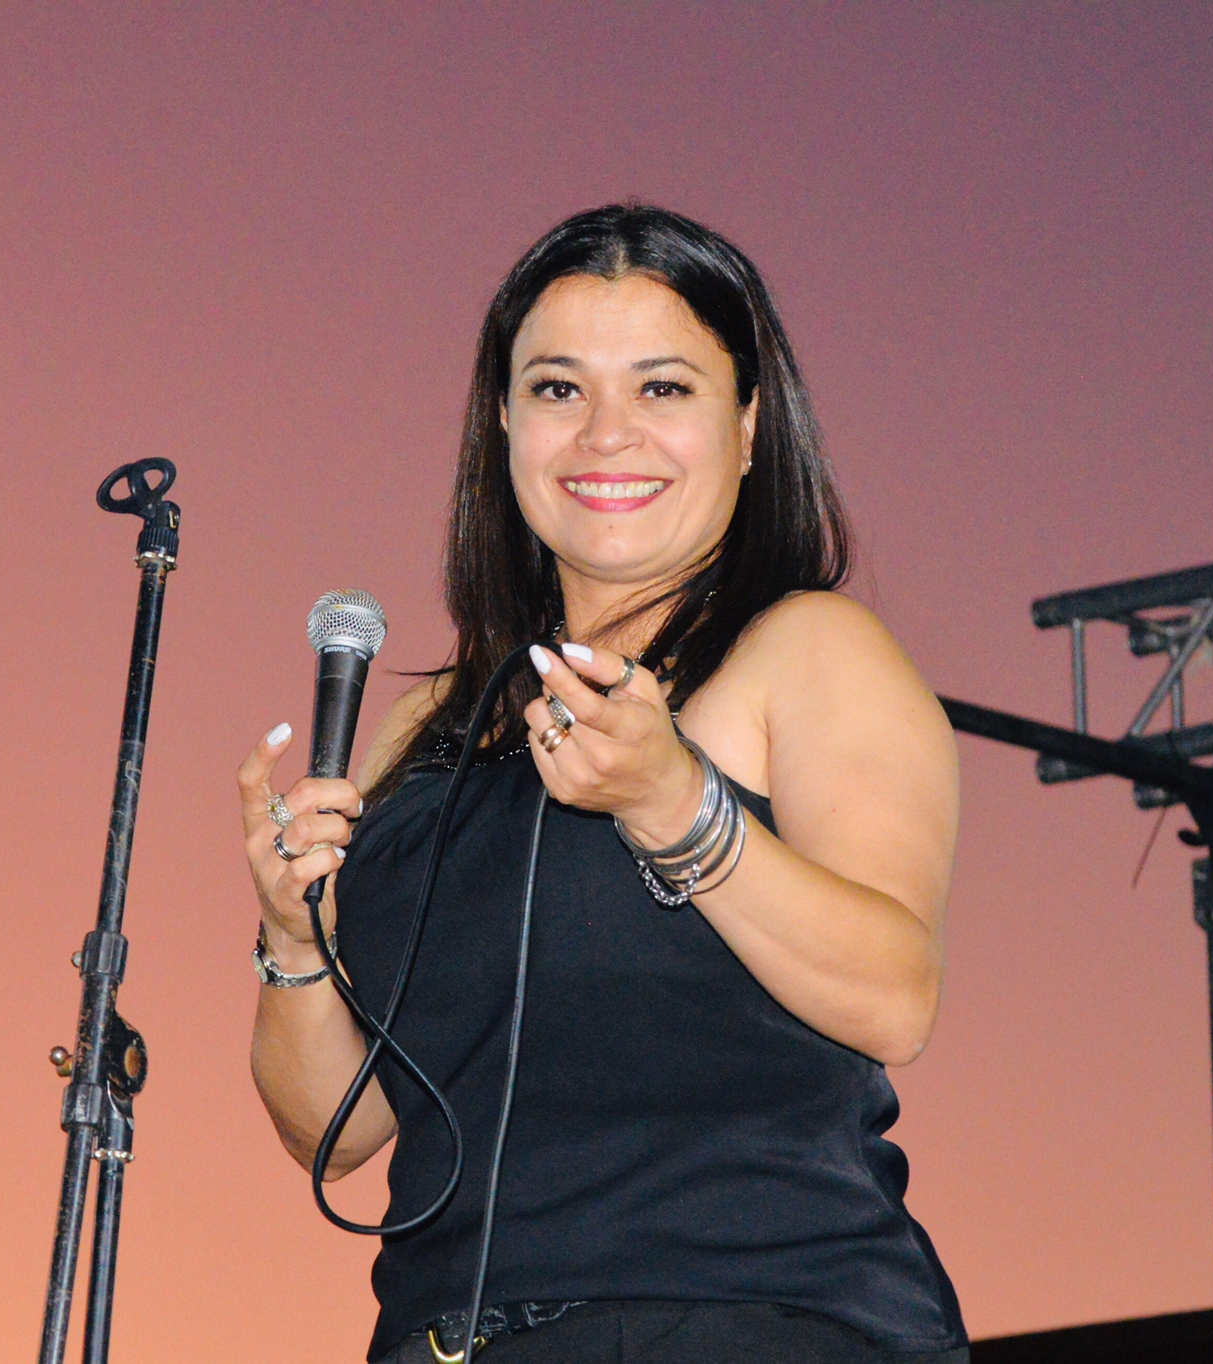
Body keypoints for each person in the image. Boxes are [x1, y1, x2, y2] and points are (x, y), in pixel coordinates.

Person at [239, 204, 968, 1363]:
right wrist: (293, 935)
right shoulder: (427, 727)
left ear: (746, 424)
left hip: (746, 1323)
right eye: (557, 388)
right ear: (503, 423)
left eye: (662, 387)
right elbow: (335, 1126)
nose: (605, 433)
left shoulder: (804, 649)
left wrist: (673, 803)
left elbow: (894, 996)